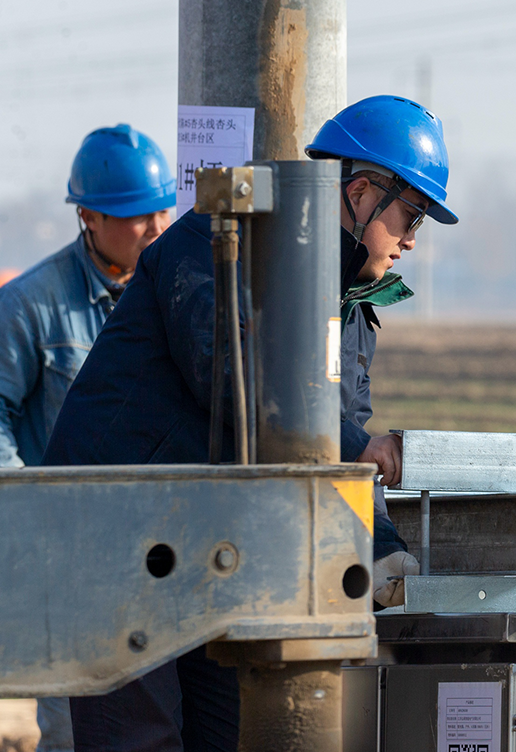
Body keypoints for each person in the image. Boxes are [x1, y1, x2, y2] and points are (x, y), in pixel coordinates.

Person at [43, 95, 455, 751]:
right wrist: (362, 448)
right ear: (361, 193)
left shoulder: (344, 305)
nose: (411, 239)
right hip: (113, 528)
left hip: (202, 544)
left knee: (231, 734)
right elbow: (235, 380)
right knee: (139, 740)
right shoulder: (218, 243)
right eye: (412, 214)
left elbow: (341, 435)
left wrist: (378, 547)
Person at [0, 124, 174, 752]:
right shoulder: (32, 307)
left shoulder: (175, 297)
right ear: (89, 217)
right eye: (136, 217)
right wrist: (32, 508)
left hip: (159, 549)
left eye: (162, 210)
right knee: (77, 723)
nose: (156, 228)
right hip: (69, 553)